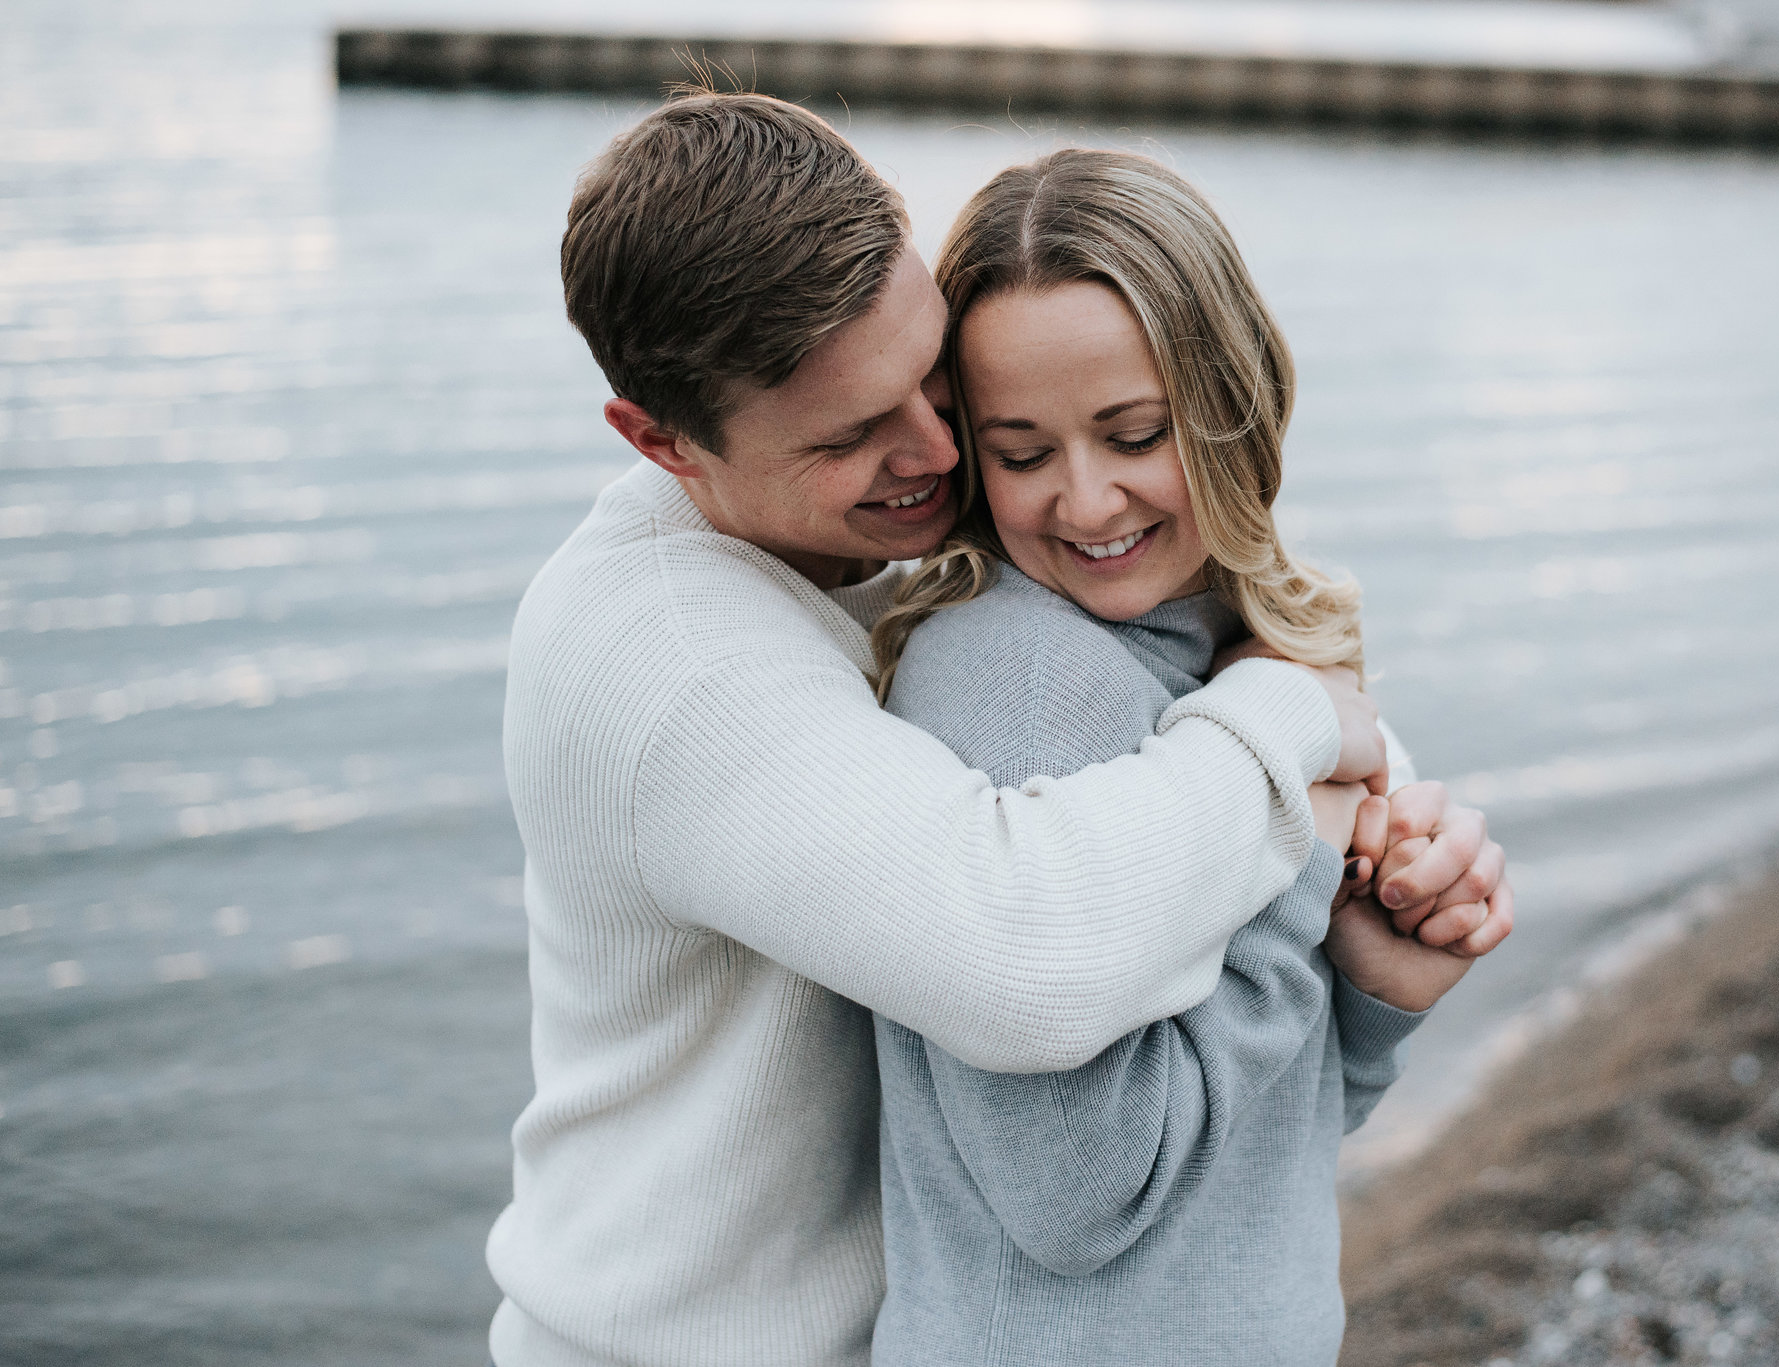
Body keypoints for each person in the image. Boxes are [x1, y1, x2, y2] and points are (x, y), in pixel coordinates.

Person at [488, 90, 1510, 1367]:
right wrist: (1289, 724)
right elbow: (1025, 964)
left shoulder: (884, 548)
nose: (935, 452)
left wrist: (1366, 948)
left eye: (931, 379)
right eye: (853, 432)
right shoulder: (664, 655)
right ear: (662, 443)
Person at [865, 148, 1501, 1365]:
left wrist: (1370, 986)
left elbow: (1263, 1144)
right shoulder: (1018, 678)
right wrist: (1300, 852)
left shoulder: (1217, 659)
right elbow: (1075, 1193)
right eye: (1021, 450)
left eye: (1133, 432)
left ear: (1229, 403)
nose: (1088, 501)